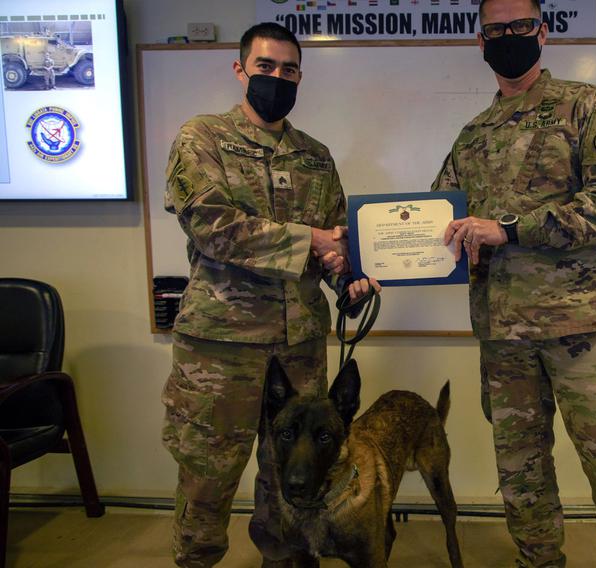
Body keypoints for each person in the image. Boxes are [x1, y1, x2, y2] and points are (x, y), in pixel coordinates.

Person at [430, 0, 596, 566]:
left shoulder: (587, 106)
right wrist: (375, 251)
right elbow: (438, 217)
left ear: (543, 30)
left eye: (519, 26)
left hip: (579, 329)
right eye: (496, 29)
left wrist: (510, 229)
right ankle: (537, 560)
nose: (508, 37)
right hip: (503, 334)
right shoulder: (472, 135)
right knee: (520, 472)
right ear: (480, 39)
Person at [160, 22, 377, 567]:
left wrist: (347, 278)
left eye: (288, 69)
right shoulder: (201, 138)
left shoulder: (316, 157)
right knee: (208, 472)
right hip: (220, 347)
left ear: (300, 75)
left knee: (291, 477)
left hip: (299, 345)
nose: (277, 77)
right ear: (241, 70)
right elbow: (212, 225)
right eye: (265, 66)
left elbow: (334, 244)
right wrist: (312, 241)